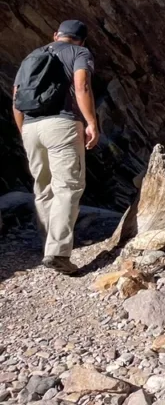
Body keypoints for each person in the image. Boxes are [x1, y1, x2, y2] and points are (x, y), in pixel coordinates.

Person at [11, 20, 99, 274]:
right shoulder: (80, 53)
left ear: (55, 35)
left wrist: (24, 130)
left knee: (43, 188)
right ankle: (57, 252)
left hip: (30, 127)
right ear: (81, 40)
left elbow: (16, 98)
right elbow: (81, 86)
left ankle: (49, 244)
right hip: (62, 125)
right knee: (67, 187)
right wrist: (91, 122)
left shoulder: (33, 56)